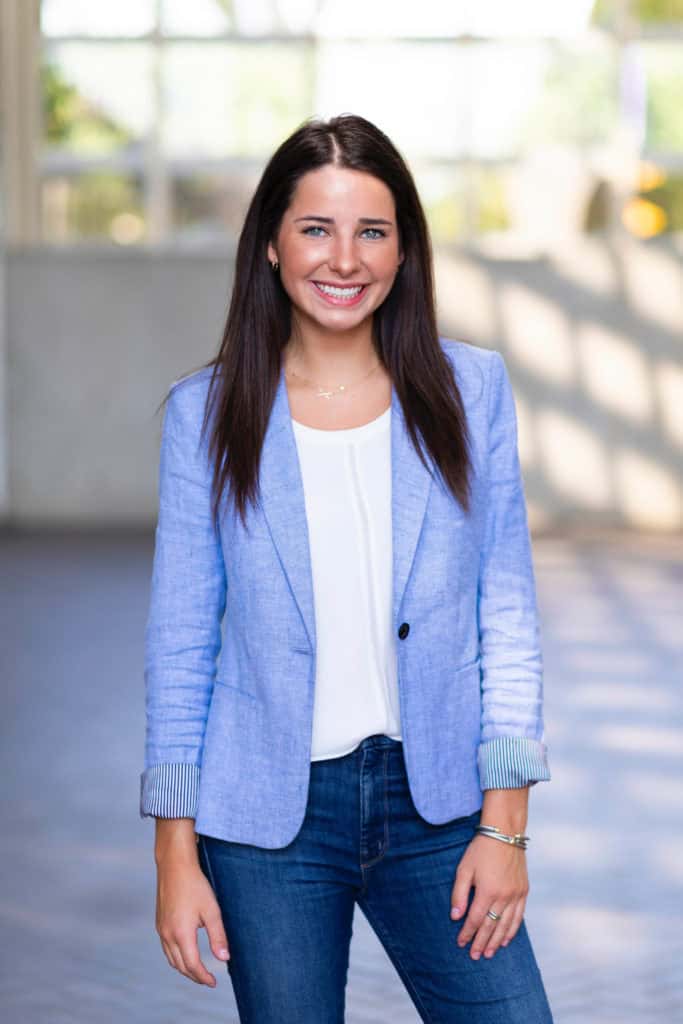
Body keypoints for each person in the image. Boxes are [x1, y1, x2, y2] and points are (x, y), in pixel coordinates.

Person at [140, 112, 554, 1023]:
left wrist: (505, 826)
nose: (344, 259)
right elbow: (180, 645)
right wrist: (174, 855)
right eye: (315, 229)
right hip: (266, 824)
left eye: (371, 231)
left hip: (439, 807)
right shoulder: (205, 413)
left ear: (403, 251)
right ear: (271, 246)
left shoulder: (469, 390)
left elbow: (507, 616)